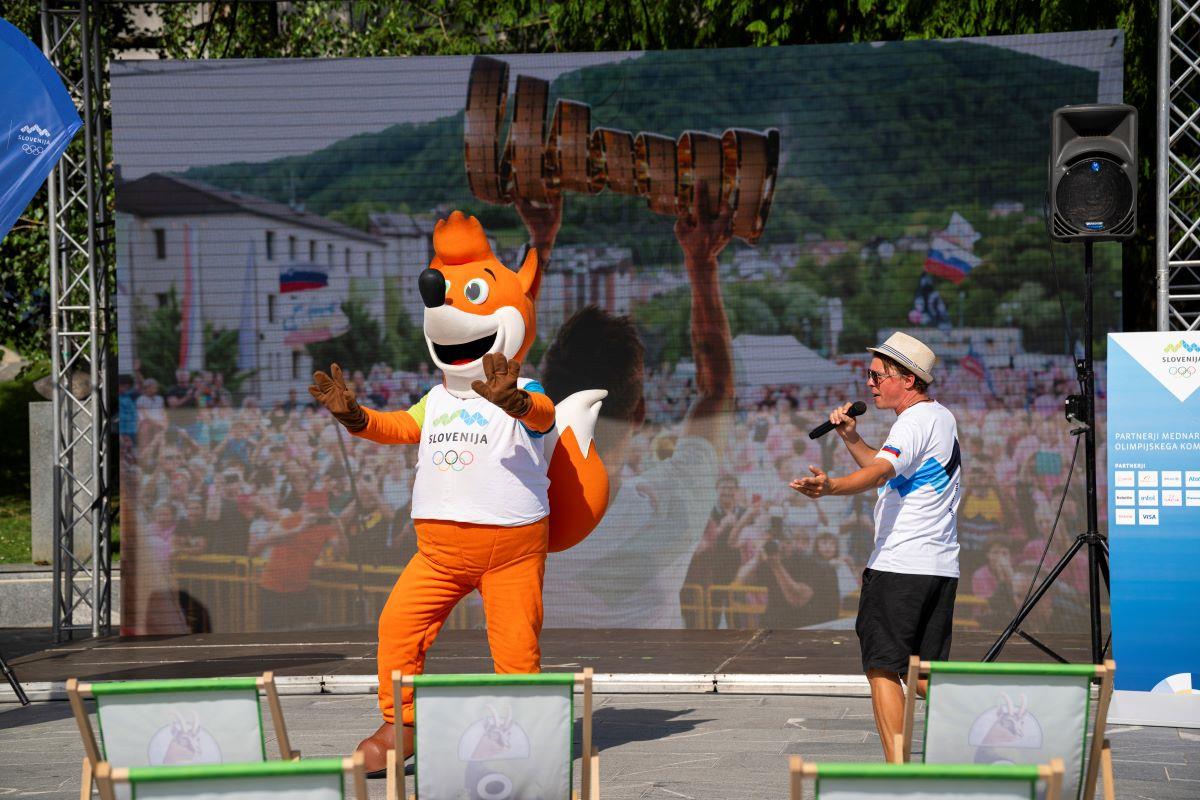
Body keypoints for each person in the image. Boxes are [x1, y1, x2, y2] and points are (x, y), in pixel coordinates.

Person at [791, 331, 961, 763]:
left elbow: (880, 472)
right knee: (922, 673)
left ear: (908, 379)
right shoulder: (939, 417)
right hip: (938, 566)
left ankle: (900, 777)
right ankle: (992, 730)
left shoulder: (913, 422)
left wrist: (832, 487)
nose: (869, 384)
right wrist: (851, 437)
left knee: (883, 666)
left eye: (877, 375)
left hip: (901, 565)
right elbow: (886, 466)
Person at [734, 509, 839, 628]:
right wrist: (757, 557)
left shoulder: (811, 563)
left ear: (793, 541)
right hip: (774, 626)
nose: (781, 545)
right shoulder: (771, 560)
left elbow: (798, 599)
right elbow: (742, 579)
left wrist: (777, 566)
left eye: (785, 540)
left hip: (805, 627)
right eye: (775, 539)